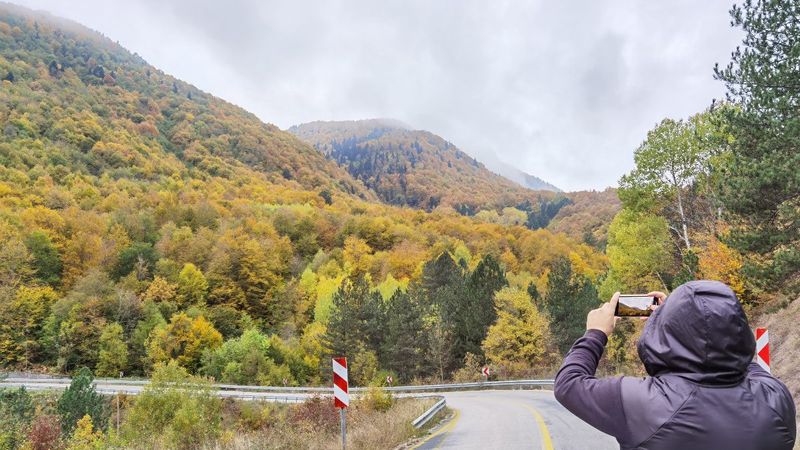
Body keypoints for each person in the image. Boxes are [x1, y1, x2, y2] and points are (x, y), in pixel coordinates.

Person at [554, 280, 796, 450]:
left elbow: (568, 383)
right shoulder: (776, 399)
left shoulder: (642, 403)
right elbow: (734, 356)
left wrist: (596, 333)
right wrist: (675, 314)